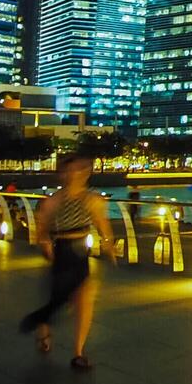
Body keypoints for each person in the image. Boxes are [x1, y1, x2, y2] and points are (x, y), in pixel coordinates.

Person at [19, 155, 113, 370]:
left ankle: (78, 352)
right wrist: (45, 245)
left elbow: (102, 225)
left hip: (81, 253)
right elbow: (42, 231)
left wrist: (109, 244)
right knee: (59, 299)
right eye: (69, 171)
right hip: (61, 252)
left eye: (79, 171)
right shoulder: (53, 201)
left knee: (84, 300)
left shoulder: (93, 200)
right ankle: (41, 322)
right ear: (62, 174)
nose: (74, 175)